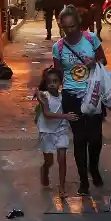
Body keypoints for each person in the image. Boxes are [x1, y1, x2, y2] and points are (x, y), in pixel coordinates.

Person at [53, 6, 106, 194]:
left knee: (95, 137)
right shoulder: (58, 47)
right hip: (71, 97)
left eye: (73, 26)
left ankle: (94, 168)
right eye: (65, 27)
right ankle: (84, 179)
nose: (69, 31)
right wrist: (45, 91)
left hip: (92, 95)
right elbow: (57, 75)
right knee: (80, 138)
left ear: (79, 24)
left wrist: (95, 63)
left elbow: (103, 60)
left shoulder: (91, 39)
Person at [35, 68, 77, 196]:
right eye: (49, 81)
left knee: (62, 159)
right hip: (47, 132)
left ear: (60, 83)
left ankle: (62, 186)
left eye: (55, 81)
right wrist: (65, 116)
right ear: (46, 83)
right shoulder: (44, 96)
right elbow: (47, 114)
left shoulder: (63, 96)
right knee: (49, 161)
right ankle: (45, 169)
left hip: (61, 130)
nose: (52, 84)